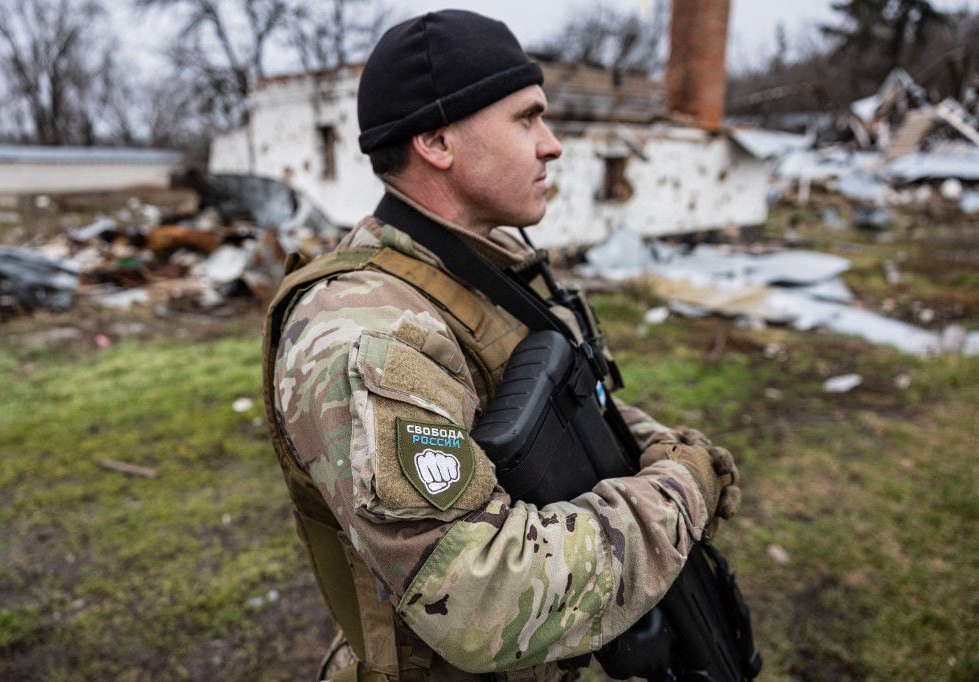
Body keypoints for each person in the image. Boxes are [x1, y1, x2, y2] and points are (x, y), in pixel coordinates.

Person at [262, 10, 741, 681]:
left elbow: (537, 416)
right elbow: (484, 595)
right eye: (526, 118)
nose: (552, 145)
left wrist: (654, 444)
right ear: (436, 140)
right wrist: (680, 491)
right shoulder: (366, 334)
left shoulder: (471, 270)